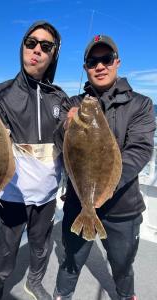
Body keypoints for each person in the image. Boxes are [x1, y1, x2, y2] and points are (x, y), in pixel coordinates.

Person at [53, 34, 156, 300]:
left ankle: (125, 295)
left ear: (117, 62)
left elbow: (140, 149)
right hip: (78, 202)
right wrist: (65, 127)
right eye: (92, 61)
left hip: (123, 208)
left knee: (122, 266)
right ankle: (62, 295)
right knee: (71, 261)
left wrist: (106, 188)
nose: (100, 66)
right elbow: (58, 146)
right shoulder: (72, 105)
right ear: (85, 67)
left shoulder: (141, 104)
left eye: (106, 59)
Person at [0, 21, 68, 300]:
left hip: (47, 195)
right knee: (5, 253)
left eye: (46, 46)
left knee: (41, 247)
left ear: (53, 54)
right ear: (22, 46)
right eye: (31, 42)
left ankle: (34, 283)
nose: (36, 50)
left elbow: (69, 146)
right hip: (12, 193)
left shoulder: (61, 98)